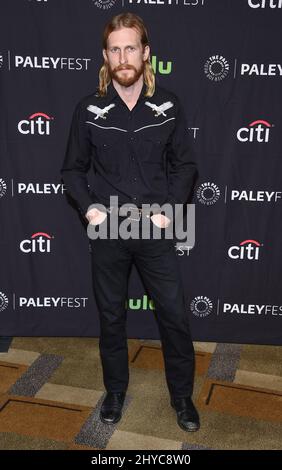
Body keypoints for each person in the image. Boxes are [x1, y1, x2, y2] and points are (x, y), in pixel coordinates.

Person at [60, 12, 199, 432]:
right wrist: (89, 209)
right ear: (106, 56)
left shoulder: (170, 105)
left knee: (174, 315)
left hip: (155, 228)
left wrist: (170, 208)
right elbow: (71, 171)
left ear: (146, 53)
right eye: (115, 49)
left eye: (131, 48)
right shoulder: (89, 109)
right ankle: (115, 391)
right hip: (110, 230)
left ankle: (182, 397)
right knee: (111, 317)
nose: (124, 57)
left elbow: (186, 166)